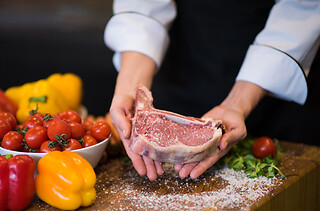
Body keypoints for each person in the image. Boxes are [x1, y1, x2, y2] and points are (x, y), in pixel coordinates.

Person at [103, 0, 320, 181]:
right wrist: (132, 86)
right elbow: (143, 6)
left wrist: (238, 103)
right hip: (183, 57)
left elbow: (302, 10)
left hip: (276, 91)